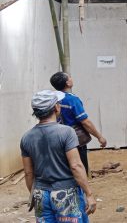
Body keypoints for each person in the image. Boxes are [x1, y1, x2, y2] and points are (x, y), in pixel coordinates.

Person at [21, 90, 97, 222]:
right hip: (65, 192)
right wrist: (89, 194)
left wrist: (35, 196)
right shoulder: (66, 132)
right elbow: (76, 166)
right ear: (56, 107)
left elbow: (28, 173)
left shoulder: (26, 137)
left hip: (40, 193)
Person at [50, 72, 107, 175]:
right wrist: (99, 137)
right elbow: (85, 122)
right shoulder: (72, 99)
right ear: (67, 83)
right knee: (79, 168)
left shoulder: (51, 98)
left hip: (56, 137)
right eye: (69, 77)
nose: (71, 78)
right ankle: (82, 189)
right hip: (74, 139)